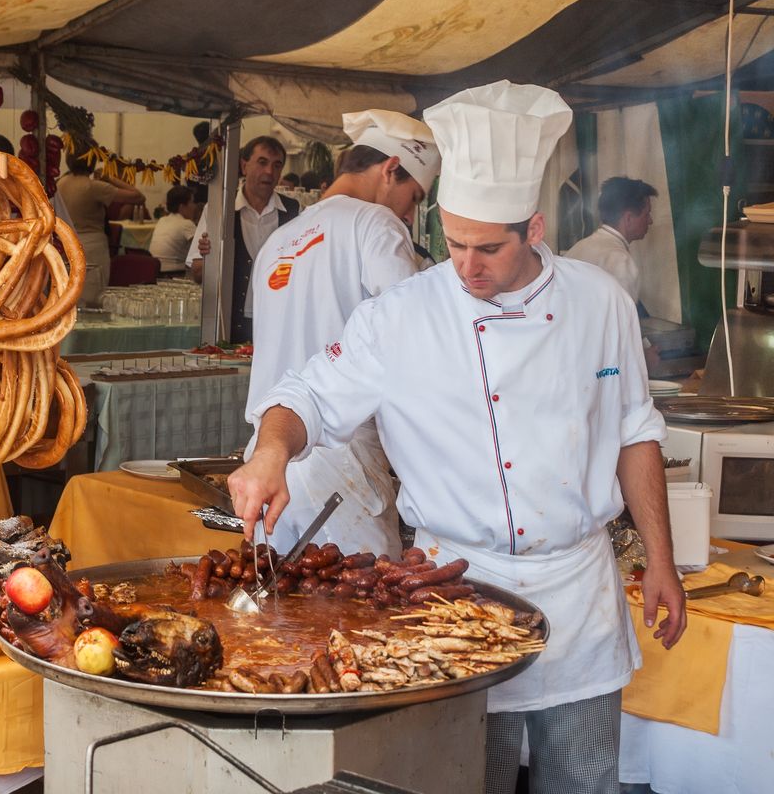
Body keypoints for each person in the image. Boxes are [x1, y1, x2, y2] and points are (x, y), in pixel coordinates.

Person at [227, 81, 685, 794]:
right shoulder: (404, 313)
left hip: (578, 593)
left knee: (585, 783)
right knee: (465, 780)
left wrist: (662, 559)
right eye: (454, 240)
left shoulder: (601, 303)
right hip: (454, 597)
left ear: (534, 229)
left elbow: (635, 433)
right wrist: (270, 451)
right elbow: (306, 395)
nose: (466, 266)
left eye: (488, 249)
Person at [246, 109, 440, 557]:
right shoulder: (376, 224)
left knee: (277, 616)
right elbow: (411, 339)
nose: (410, 213)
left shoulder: (278, 241)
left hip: (268, 457)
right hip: (343, 460)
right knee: (360, 615)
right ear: (392, 169)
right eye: (414, 197)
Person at [185, 136, 301, 342]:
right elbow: (197, 272)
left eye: (277, 165)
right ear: (244, 165)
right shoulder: (218, 210)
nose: (269, 172)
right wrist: (213, 257)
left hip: (279, 324)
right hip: (232, 326)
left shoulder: (294, 211)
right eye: (262, 162)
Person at [55, 140, 146, 307]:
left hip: (65, 245)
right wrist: (109, 178)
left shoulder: (60, 183)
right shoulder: (94, 186)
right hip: (92, 248)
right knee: (92, 300)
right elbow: (138, 197)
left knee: (66, 299)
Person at [567, 176, 658, 305]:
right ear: (628, 219)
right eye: (647, 214)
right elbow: (620, 321)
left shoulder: (579, 247)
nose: (650, 221)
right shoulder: (620, 261)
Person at [148, 185, 199, 274]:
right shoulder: (186, 224)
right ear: (182, 206)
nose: (195, 206)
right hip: (175, 274)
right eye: (192, 202)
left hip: (153, 271)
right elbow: (204, 248)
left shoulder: (162, 220)